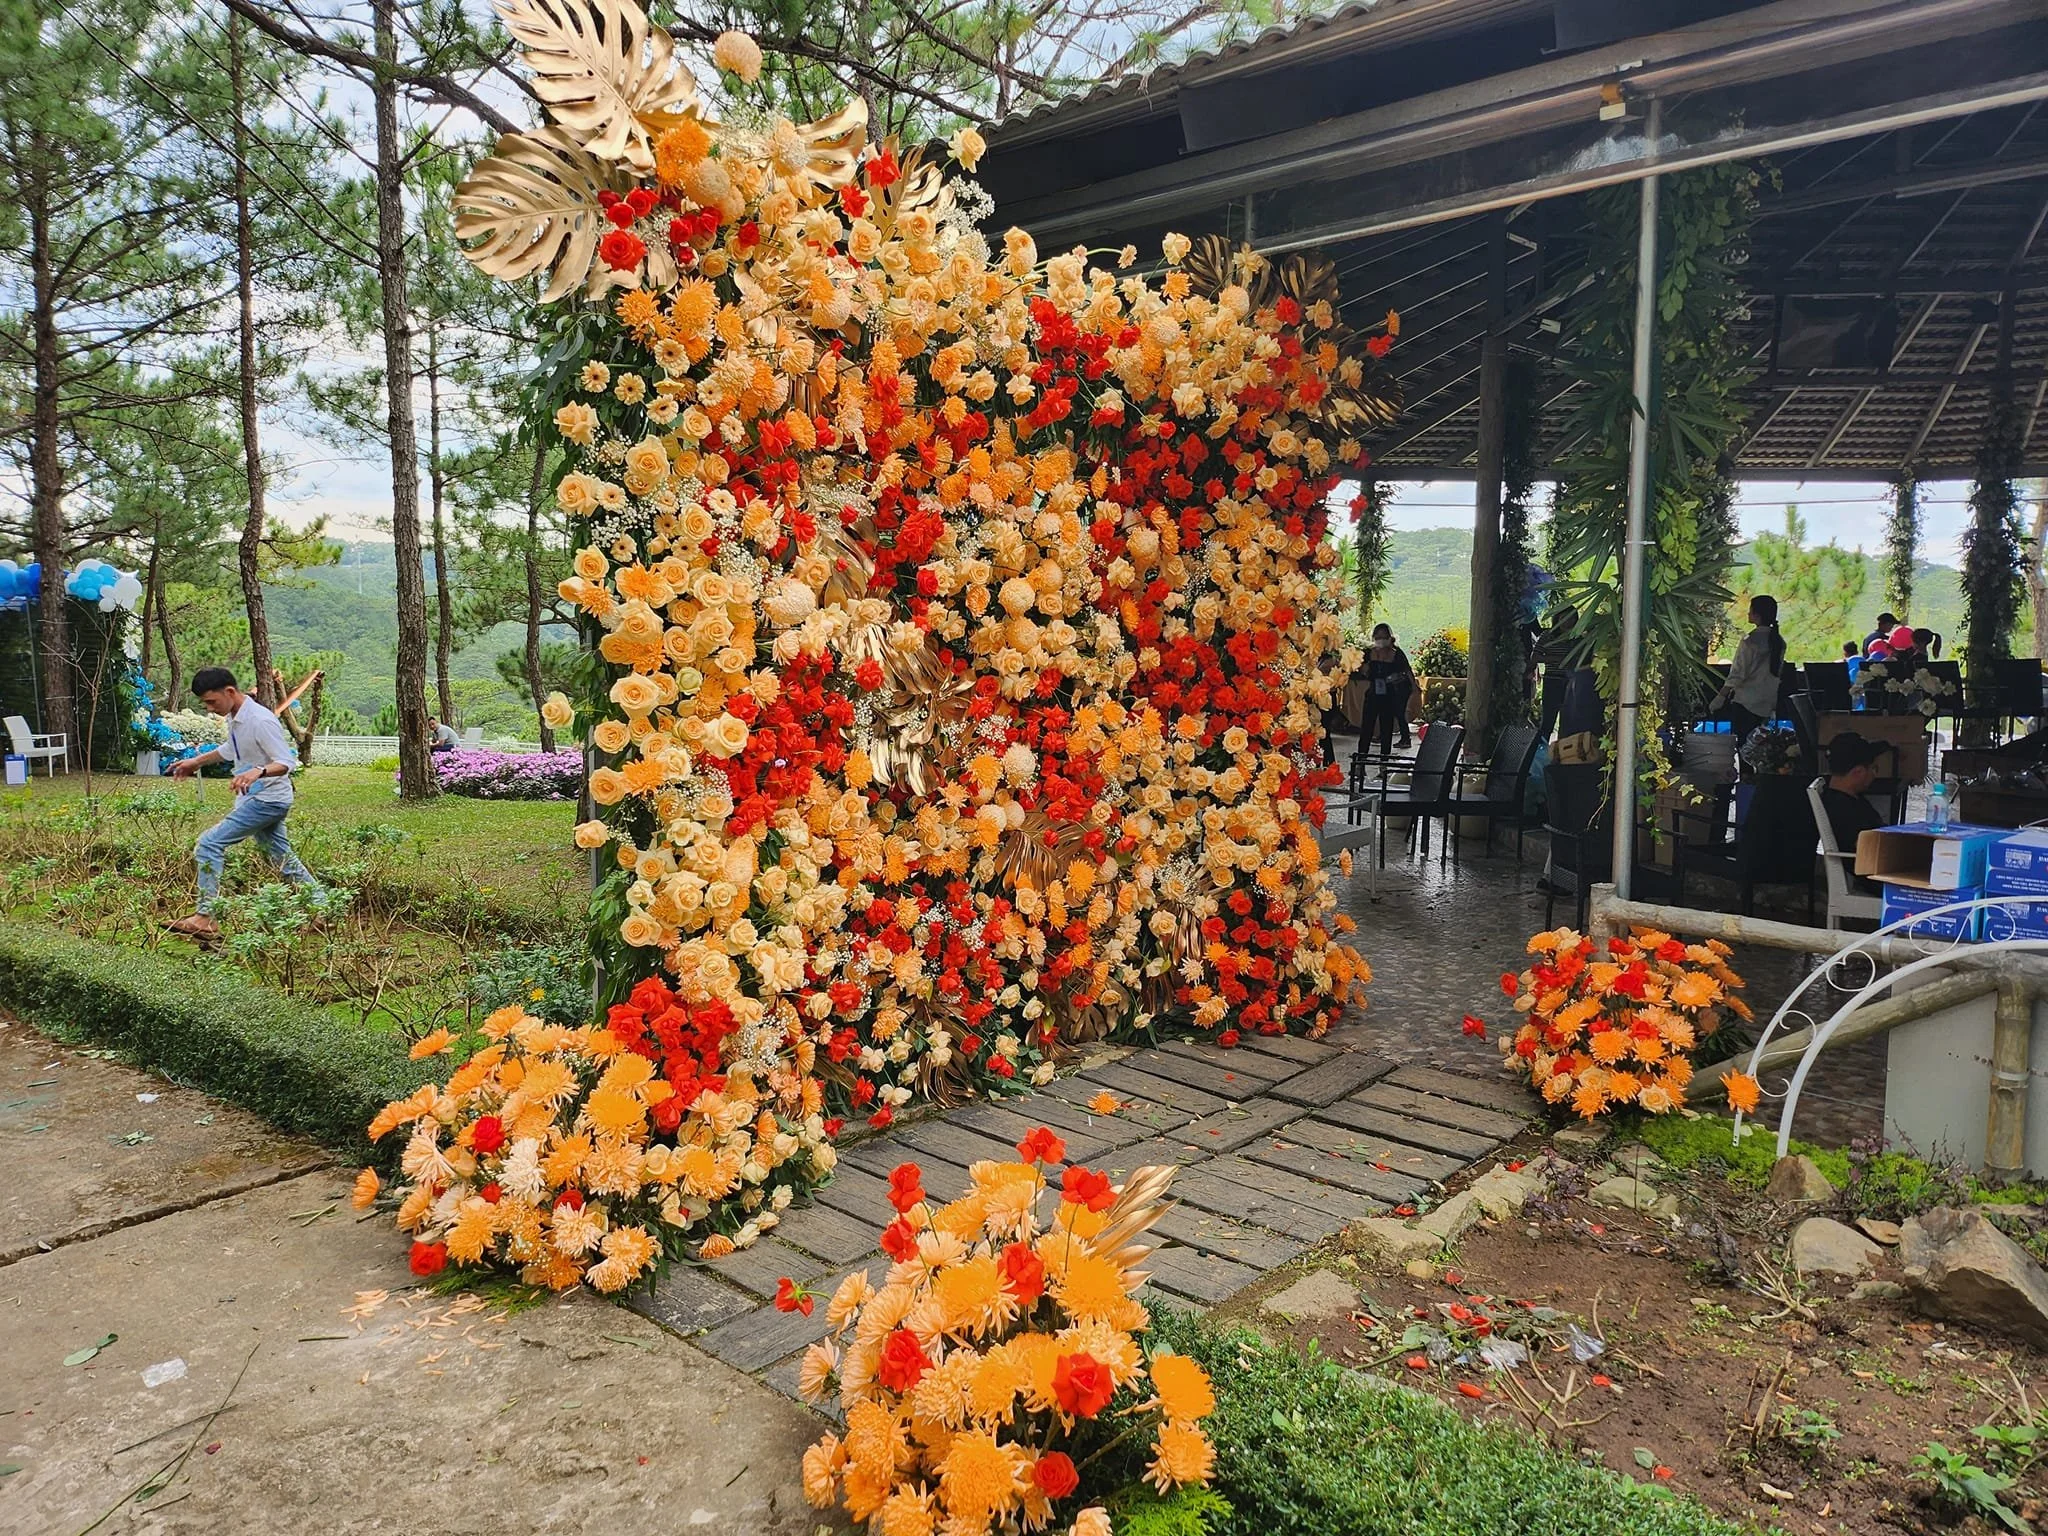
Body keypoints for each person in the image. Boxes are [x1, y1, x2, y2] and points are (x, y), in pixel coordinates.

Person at [165, 667, 322, 940]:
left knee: (209, 843)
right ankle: (324, 909)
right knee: (282, 857)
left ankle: (205, 916)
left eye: (211, 702)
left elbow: (285, 762)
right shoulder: (235, 717)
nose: (209, 708)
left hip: (267, 799)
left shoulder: (260, 720)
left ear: (229, 692)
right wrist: (195, 761)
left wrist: (258, 771)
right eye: (205, 704)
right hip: (261, 798)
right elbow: (231, 750)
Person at [1817, 732, 1885, 895]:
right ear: (1858, 772)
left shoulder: (1846, 797)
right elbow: (1866, 850)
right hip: (1876, 876)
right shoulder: (1844, 809)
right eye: (1873, 769)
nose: (1875, 775)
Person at [1712, 593, 1787, 739]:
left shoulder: (1750, 641)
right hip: (1767, 703)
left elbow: (1738, 674)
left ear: (1757, 615)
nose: (1748, 613)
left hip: (1746, 703)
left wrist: (1721, 696)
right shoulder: (1779, 641)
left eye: (1751, 610)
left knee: (1744, 748)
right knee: (1760, 750)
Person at [1359, 623, 1415, 755]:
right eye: (1377, 637)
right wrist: (1364, 669)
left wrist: (1413, 687)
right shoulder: (1368, 653)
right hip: (1372, 694)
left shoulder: (1396, 654)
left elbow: (1406, 671)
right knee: (1366, 728)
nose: (1380, 640)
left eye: (1383, 637)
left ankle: (1383, 763)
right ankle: (1360, 762)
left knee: (1386, 730)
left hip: (1390, 696)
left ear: (1390, 638)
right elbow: (1359, 669)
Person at [1533, 606, 1580, 741]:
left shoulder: (1577, 636)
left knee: (1569, 722)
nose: (1568, 622)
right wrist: (1557, 659)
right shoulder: (1548, 635)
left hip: (1572, 681)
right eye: (1564, 618)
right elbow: (1535, 657)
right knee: (1548, 722)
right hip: (1553, 680)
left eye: (1571, 618)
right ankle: (1540, 753)